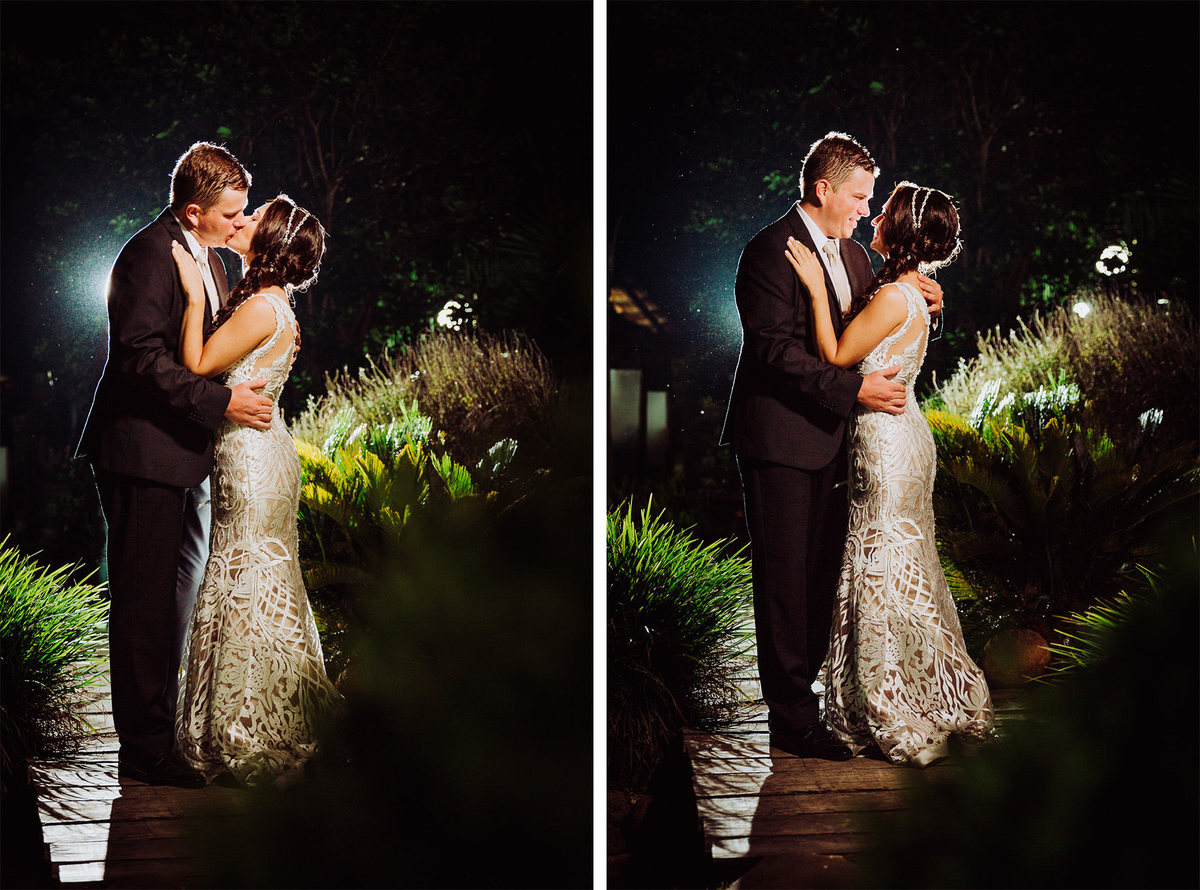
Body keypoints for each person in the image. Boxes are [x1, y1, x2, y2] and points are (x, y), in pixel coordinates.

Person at [719, 132, 943, 760]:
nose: (865, 211)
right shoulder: (767, 252)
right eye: (857, 197)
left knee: (822, 575)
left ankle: (815, 697)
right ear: (823, 190)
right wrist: (854, 392)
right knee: (785, 578)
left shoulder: (855, 258)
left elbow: (875, 319)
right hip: (782, 441)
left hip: (842, 445)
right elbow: (775, 352)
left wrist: (926, 292)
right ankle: (790, 715)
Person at [76, 142, 273, 788]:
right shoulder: (146, 257)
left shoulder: (208, 258)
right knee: (143, 603)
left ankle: (163, 729)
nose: (240, 223)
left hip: (181, 456)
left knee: (172, 600)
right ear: (193, 211)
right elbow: (140, 360)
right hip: (141, 454)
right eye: (232, 214)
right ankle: (144, 749)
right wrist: (222, 404)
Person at [785, 181, 993, 766]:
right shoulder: (907, 293)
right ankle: (918, 686)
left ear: (898, 231)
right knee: (902, 558)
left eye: (884, 211)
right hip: (903, 434)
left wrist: (814, 294)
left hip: (885, 439)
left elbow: (836, 356)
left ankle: (891, 695)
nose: (872, 215)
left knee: (882, 560)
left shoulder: (897, 297)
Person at [171, 194, 342, 787]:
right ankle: (267, 715)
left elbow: (195, 364)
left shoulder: (263, 308)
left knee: (246, 578)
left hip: (250, 457)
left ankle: (249, 725)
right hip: (260, 452)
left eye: (253, 218)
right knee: (259, 577)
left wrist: (194, 298)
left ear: (268, 243)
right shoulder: (274, 306)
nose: (240, 221)